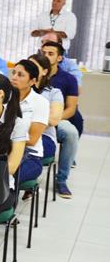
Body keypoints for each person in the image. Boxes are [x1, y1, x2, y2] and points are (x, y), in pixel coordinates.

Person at [40, 39, 82, 198]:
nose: (46, 56)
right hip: (33, 117)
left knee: (71, 133)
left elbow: (71, 108)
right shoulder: (33, 75)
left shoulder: (68, 79)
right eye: (43, 53)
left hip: (58, 118)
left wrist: (54, 119)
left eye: (50, 54)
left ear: (59, 58)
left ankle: (62, 180)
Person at [10, 59, 49, 184]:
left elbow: (32, 140)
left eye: (20, 75)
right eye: (14, 73)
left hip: (30, 156)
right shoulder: (4, 96)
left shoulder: (40, 102)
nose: (14, 77)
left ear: (32, 81)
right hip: (3, 150)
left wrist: (2, 138)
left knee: (4, 177)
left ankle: (6, 203)